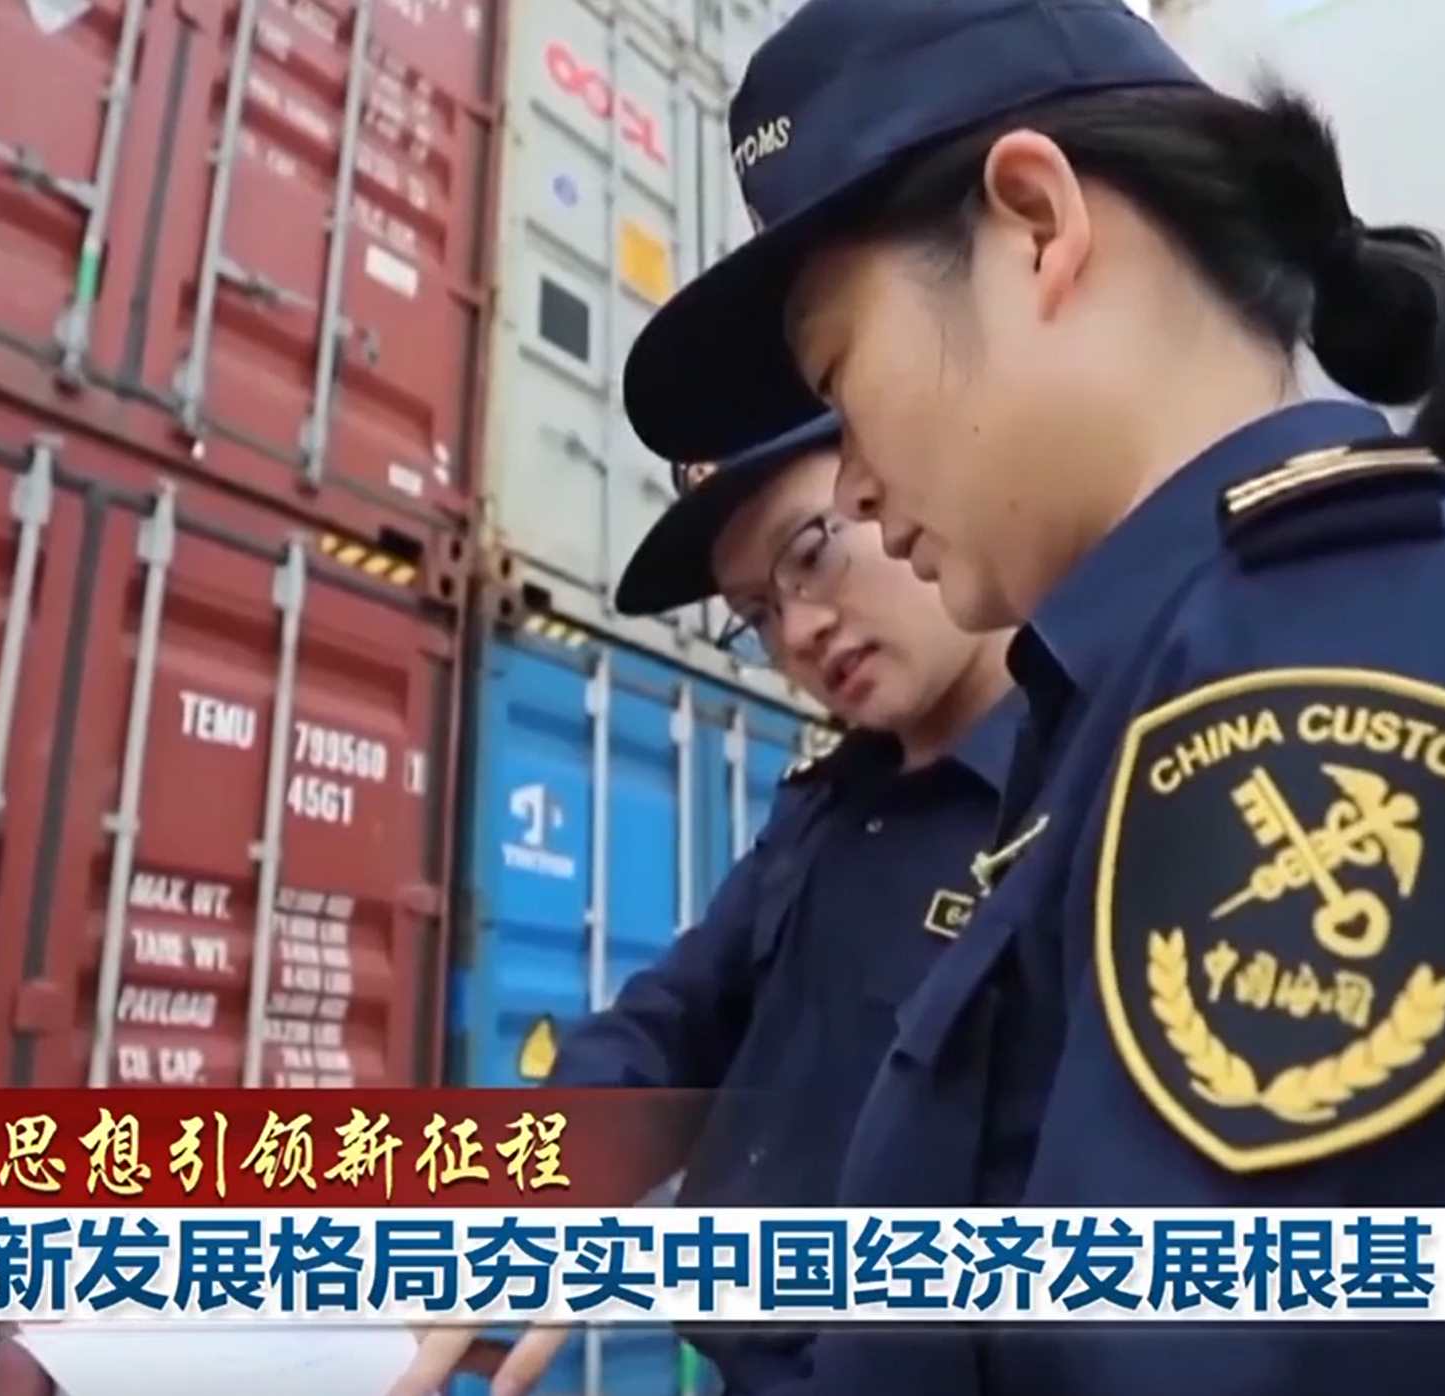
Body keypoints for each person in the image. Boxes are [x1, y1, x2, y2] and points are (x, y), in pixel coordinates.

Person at [612, 2, 1445, 1393]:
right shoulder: (1159, 700)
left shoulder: (1325, 717)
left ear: (1038, 225)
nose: (861, 480)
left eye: (841, 378)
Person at [388, 410, 1022, 1396]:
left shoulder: (1091, 794)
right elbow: (674, 1017)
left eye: (810, 553)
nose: (798, 633)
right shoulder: (826, 811)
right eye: (756, 612)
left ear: (905, 485)